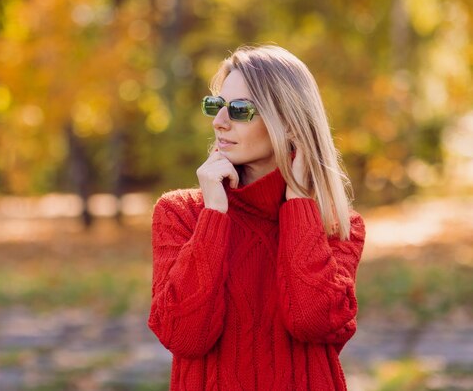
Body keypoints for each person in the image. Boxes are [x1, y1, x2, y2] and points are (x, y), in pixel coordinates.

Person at [147, 45, 366, 390]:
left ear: (291, 125)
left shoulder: (336, 223)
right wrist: (214, 214)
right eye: (216, 106)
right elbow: (185, 336)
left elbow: (311, 320)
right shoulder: (181, 214)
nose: (219, 121)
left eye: (238, 110)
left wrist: (298, 203)